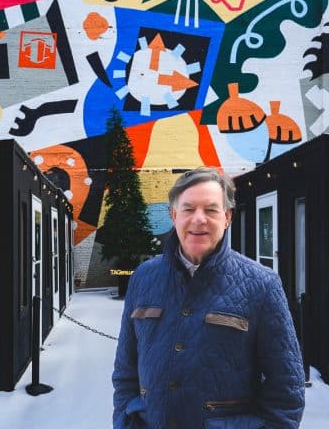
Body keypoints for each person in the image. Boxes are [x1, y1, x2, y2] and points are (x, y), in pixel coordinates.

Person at [112, 167, 305, 428]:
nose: (198, 219)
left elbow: (286, 390)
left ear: (227, 217)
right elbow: (125, 372)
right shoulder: (143, 279)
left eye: (211, 210)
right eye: (188, 209)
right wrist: (126, 420)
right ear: (174, 215)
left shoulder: (262, 284)